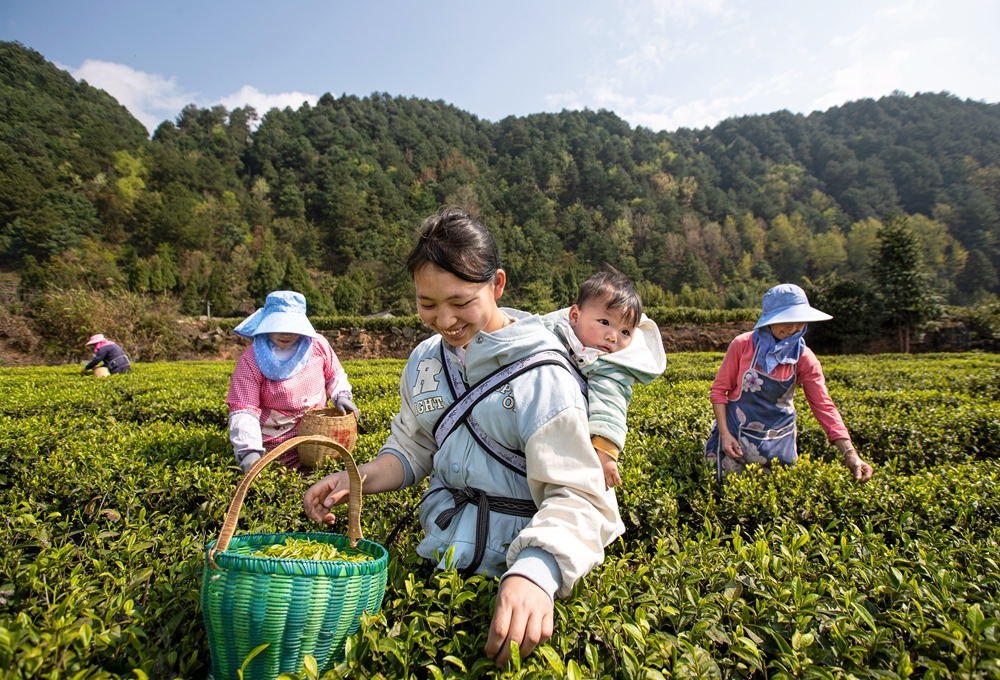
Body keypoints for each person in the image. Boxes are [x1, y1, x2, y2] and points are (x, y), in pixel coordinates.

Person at [303, 208, 620, 667]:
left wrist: (535, 572)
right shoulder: (425, 362)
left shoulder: (544, 374)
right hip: (446, 550)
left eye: (461, 301)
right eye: (427, 304)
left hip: (526, 560)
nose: (444, 320)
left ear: (497, 285)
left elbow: (577, 495)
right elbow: (414, 447)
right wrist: (360, 477)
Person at [705, 283, 874, 483]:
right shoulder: (742, 345)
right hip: (734, 442)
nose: (793, 328)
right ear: (770, 319)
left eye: (799, 321)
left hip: (778, 446)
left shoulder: (803, 357)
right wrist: (724, 434)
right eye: (787, 319)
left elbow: (823, 405)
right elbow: (718, 392)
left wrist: (849, 453)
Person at [540, 269, 666, 489]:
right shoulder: (555, 330)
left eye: (625, 332)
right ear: (575, 316)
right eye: (605, 322)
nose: (613, 336)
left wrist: (606, 453)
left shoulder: (611, 365)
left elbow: (610, 403)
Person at [226, 290, 357, 474]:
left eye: (292, 326)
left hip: (318, 438)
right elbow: (244, 410)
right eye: (279, 325)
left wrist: (341, 395)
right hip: (276, 445)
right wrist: (249, 451)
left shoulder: (318, 345)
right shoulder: (252, 360)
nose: (286, 333)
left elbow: (335, 375)